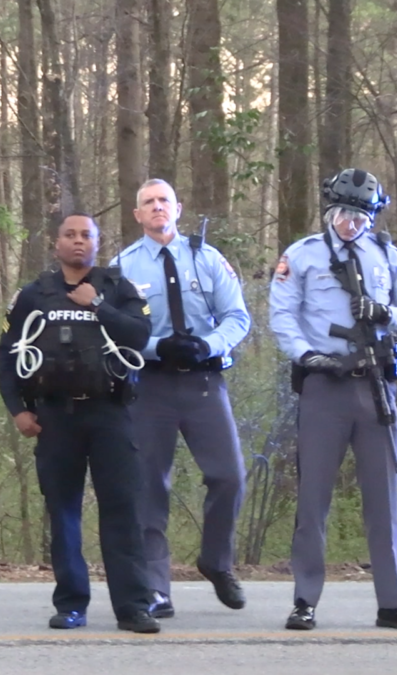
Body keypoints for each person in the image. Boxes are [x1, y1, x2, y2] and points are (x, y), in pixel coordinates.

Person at [267, 167, 397, 632]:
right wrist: (306, 356)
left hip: (376, 386)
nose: (350, 225)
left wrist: (386, 312)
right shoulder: (302, 256)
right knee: (313, 498)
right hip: (325, 386)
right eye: (343, 215)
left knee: (383, 499)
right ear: (329, 211)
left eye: (360, 218)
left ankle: (392, 602)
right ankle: (305, 599)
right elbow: (281, 314)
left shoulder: (388, 257)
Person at [0, 212, 161, 634]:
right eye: (69, 235)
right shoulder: (35, 295)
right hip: (56, 418)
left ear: (97, 242)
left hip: (110, 415)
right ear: (57, 244)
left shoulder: (118, 289)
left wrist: (98, 306)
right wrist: (18, 409)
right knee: (64, 512)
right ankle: (71, 604)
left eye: (85, 235)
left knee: (122, 512)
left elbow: (139, 336)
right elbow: (8, 353)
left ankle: (133, 607)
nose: (77, 241)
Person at [108, 178, 251, 618]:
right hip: (151, 387)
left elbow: (237, 317)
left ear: (178, 208)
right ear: (137, 215)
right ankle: (155, 586)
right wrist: (154, 348)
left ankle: (216, 561)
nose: (157, 208)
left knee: (230, 476)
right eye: (148, 203)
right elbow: (114, 332)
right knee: (150, 486)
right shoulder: (123, 266)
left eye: (163, 201)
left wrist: (208, 345)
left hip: (204, 383)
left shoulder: (207, 258)